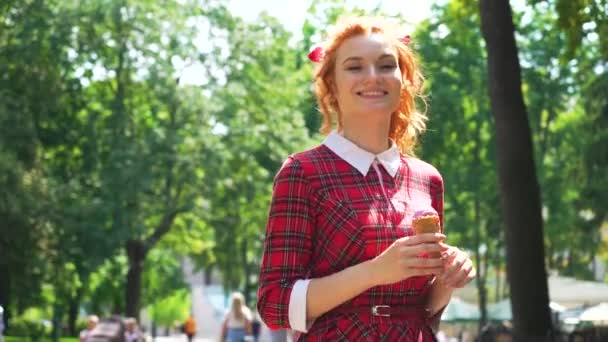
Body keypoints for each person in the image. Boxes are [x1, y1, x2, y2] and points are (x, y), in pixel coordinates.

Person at [257, 16, 476, 341]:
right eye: (355, 67)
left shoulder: (427, 178)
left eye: (387, 65)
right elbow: (275, 305)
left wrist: (447, 278)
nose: (373, 77)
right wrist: (375, 272)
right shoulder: (303, 173)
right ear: (331, 84)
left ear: (404, 79)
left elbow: (425, 310)